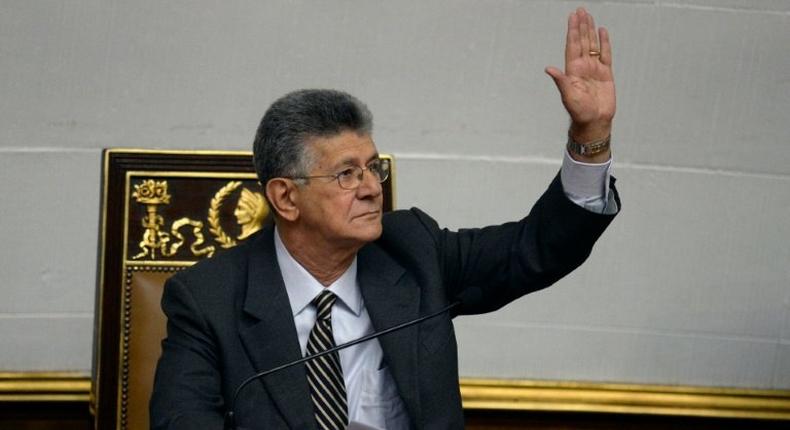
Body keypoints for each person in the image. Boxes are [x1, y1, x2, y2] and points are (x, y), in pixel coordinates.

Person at [151, 7, 619, 430]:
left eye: (373, 167)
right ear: (286, 198)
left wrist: (590, 134)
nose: (373, 187)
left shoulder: (414, 250)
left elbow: (536, 250)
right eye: (346, 174)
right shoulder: (209, 300)